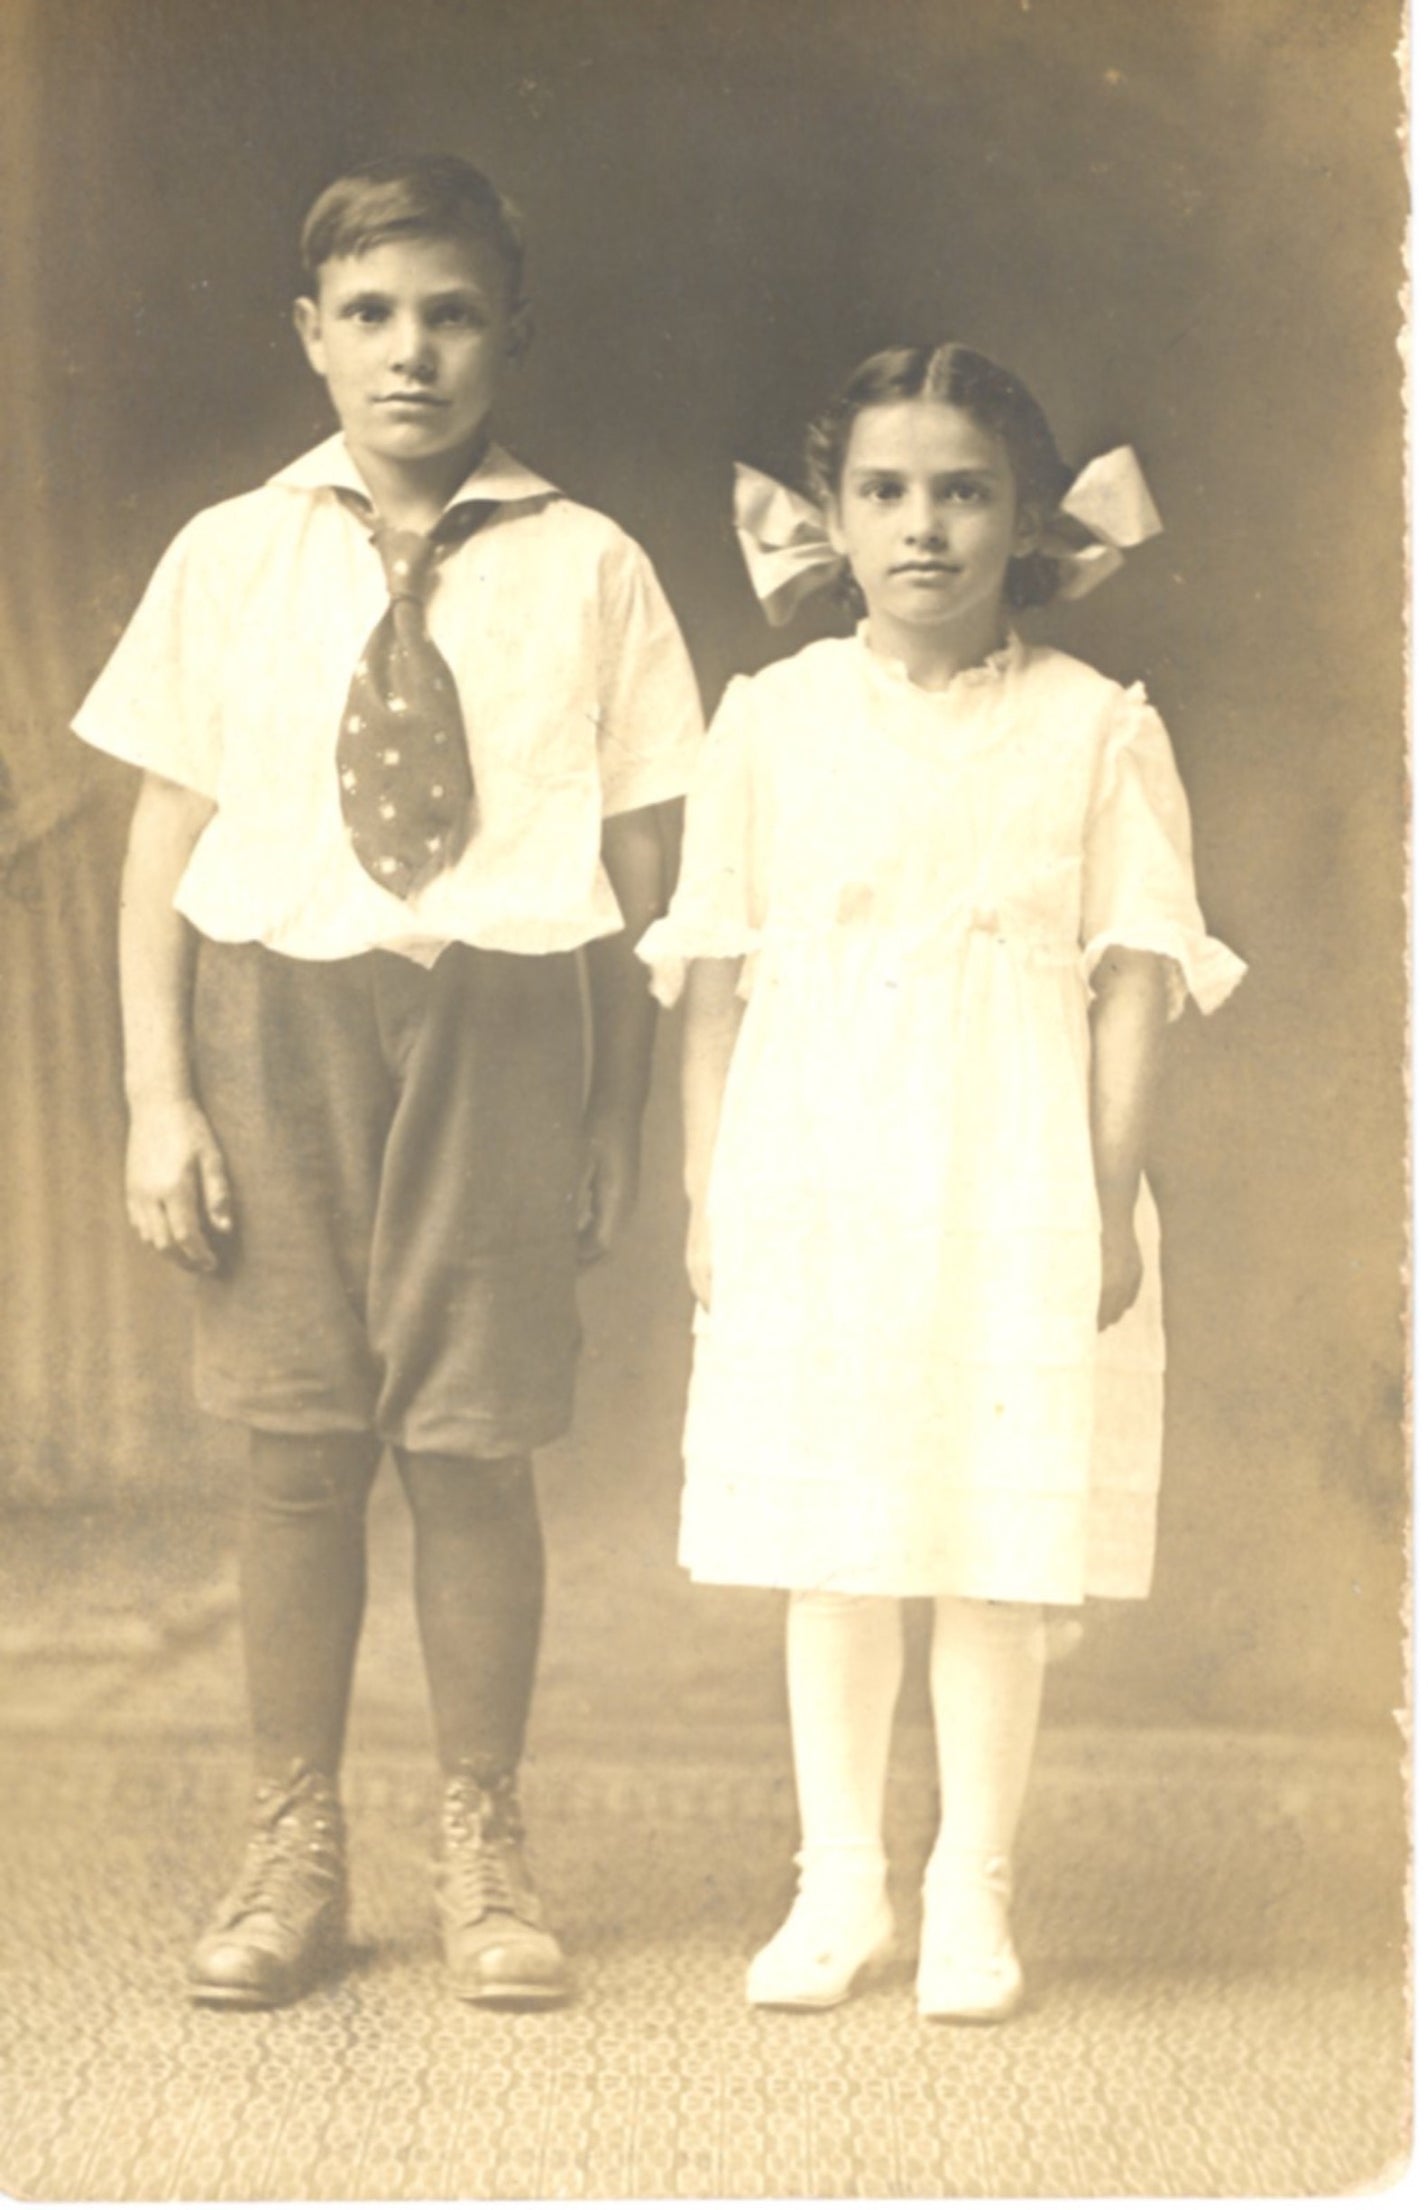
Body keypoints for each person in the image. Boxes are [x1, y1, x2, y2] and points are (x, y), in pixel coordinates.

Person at [72, 154, 702, 2011]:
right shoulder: (229, 552)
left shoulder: (592, 566)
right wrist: (156, 1095)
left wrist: (614, 1110)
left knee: (470, 1447)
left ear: (509, 333)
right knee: (297, 1448)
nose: (410, 351)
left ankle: (482, 1842)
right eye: (370, 314)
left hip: (504, 1026)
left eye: (448, 313)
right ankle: (293, 1844)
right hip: (275, 1021)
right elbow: (162, 836)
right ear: (311, 335)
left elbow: (646, 874)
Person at [637, 343, 1244, 2022]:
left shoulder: (1092, 726)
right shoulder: (770, 719)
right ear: (831, 518)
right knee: (838, 1532)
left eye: (961, 490)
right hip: (815, 1156)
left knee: (989, 1535)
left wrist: (1108, 1194)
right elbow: (710, 975)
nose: (922, 528)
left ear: (1020, 517)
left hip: (1011, 1159)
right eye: (885, 493)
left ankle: (973, 1886)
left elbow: (1136, 974)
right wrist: (708, 1190)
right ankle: (841, 1885)